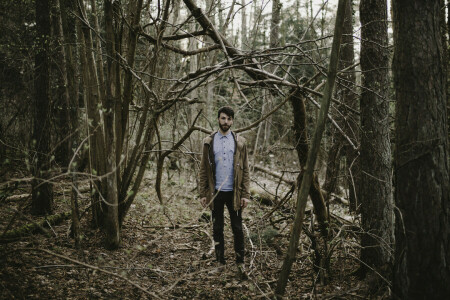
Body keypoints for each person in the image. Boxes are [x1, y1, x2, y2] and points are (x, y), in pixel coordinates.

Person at [199, 106, 250, 276]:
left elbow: (246, 170)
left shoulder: (239, 142)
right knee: (217, 228)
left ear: (232, 121)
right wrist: (203, 193)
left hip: (234, 193)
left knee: (237, 228)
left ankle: (240, 263)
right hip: (216, 193)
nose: (225, 122)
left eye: (228, 119)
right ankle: (220, 263)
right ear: (218, 119)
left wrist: (245, 194)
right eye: (223, 118)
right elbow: (204, 169)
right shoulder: (209, 141)